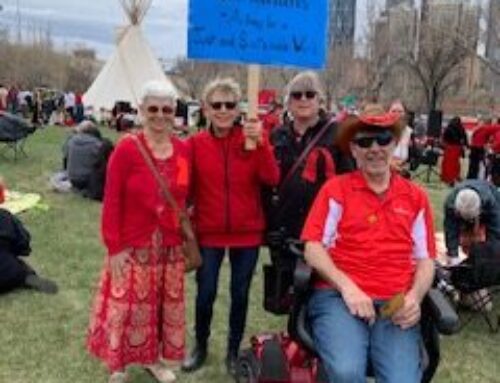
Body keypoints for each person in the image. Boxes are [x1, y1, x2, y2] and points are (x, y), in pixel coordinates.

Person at [301, 104, 436, 383]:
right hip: (339, 298)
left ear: (395, 144)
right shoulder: (335, 190)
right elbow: (312, 247)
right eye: (364, 142)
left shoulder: (416, 198)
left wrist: (414, 298)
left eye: (383, 139)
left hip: (394, 301)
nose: (374, 148)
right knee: (347, 373)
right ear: (353, 150)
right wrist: (348, 288)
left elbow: (426, 259)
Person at [87, 81, 190, 383]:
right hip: (132, 244)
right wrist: (114, 246)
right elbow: (112, 199)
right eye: (153, 109)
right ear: (142, 111)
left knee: (158, 306)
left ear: (175, 113)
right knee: (124, 306)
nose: (160, 115)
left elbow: (182, 193)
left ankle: (153, 360)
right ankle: (118, 363)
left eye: (167, 109)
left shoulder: (183, 151)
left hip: (169, 246)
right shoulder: (127, 149)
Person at [181, 78, 280, 375]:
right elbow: (183, 187)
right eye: (217, 105)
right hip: (209, 232)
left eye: (230, 104)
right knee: (206, 292)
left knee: (240, 294)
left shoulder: (251, 140)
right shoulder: (195, 144)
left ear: (239, 109)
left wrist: (261, 144)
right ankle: (200, 345)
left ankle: (233, 351)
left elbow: (272, 177)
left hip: (247, 233)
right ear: (206, 109)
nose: (223, 110)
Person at [262, 71, 353, 313]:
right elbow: (266, 180)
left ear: (319, 100)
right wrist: (268, 226)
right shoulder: (278, 134)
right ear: (289, 102)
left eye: (310, 94)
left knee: (319, 286)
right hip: (285, 224)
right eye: (297, 95)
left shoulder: (336, 135)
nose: (304, 100)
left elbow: (348, 180)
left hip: (323, 225)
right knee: (288, 291)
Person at [0, 178, 58, 295]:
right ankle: (25, 277)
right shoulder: (5, 217)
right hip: (10, 274)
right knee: (16, 266)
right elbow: (23, 245)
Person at [443, 179, 500, 265]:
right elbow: (450, 230)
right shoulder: (450, 203)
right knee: (466, 240)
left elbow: (495, 230)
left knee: (484, 242)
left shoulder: (490, 201)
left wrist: (491, 255)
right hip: (466, 210)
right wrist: (453, 255)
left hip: (491, 204)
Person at [64, 121, 104, 194]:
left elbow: (65, 157)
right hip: (88, 180)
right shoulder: (97, 144)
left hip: (72, 179)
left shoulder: (71, 141)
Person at [441, 116, 468, 186]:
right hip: (457, 148)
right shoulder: (461, 128)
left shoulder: (449, 127)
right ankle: (455, 177)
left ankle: (449, 178)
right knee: (455, 164)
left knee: (448, 164)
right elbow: (464, 138)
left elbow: (444, 137)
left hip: (449, 147)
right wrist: (465, 145)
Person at [389, 100, 413, 171]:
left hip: (402, 173)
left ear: (405, 114)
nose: (397, 114)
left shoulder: (409, 132)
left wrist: (407, 166)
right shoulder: (381, 131)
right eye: (393, 111)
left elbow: (415, 158)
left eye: (400, 111)